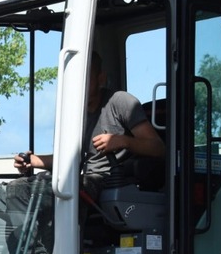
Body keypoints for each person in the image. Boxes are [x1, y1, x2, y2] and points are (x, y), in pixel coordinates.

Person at [13, 51, 164, 199]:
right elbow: (70, 158)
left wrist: (122, 141)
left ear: (101, 79)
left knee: (58, 190)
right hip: (84, 178)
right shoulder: (75, 114)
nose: (78, 84)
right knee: (17, 188)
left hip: (113, 180)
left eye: (85, 78)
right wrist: (32, 161)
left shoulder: (120, 102)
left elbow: (158, 147)